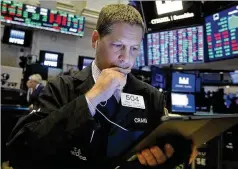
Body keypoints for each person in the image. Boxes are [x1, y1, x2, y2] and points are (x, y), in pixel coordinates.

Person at [7, 4, 196, 169]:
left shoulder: (151, 96)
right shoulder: (62, 87)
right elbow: (20, 152)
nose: (126, 58)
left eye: (134, 48)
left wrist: (177, 150)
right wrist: (93, 96)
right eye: (118, 45)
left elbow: (168, 157)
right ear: (95, 39)